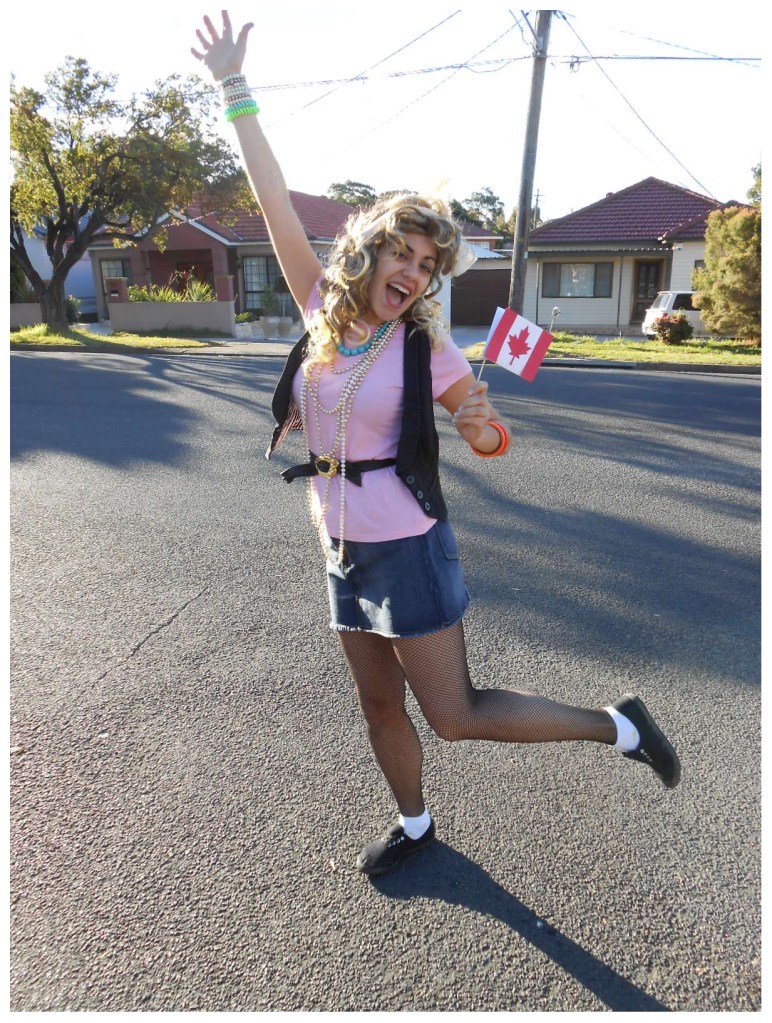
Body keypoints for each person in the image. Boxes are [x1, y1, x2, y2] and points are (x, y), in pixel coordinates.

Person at [191, 12, 681, 878]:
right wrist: (235, 90)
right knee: (378, 704)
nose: (415, 274)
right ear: (370, 251)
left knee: (455, 715)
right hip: (339, 544)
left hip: (408, 548)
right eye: (405, 256)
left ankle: (620, 725)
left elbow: (490, 434)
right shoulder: (319, 306)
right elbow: (272, 199)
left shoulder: (427, 346)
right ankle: (415, 824)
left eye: (427, 265)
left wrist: (481, 425)